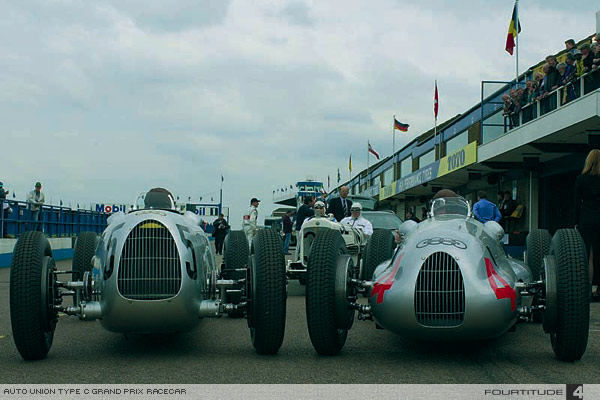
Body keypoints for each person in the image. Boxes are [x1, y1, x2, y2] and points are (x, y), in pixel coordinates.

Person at [574, 149, 600, 301]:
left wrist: (575, 222)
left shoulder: (581, 179)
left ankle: (590, 288)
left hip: (587, 219)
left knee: (589, 254)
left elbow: (577, 203)